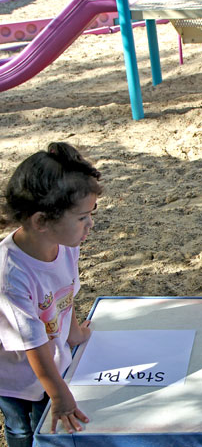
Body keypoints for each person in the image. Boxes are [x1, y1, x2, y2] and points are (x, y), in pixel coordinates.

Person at [0, 142, 101, 445]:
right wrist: (60, 395)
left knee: (47, 423)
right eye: (82, 217)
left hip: (51, 363)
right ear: (41, 221)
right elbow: (32, 346)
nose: (90, 224)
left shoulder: (67, 246)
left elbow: (66, 297)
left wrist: (73, 336)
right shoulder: (10, 275)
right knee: (23, 429)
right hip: (16, 378)